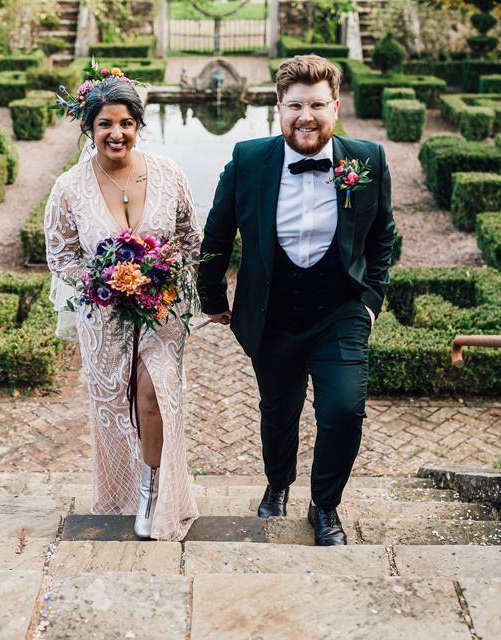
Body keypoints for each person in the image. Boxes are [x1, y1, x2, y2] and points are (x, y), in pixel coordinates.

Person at [197, 54, 396, 546]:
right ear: (278, 108)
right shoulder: (248, 160)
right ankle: (278, 482)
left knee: (344, 411)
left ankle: (325, 506)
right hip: (273, 315)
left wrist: (371, 299)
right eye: (295, 106)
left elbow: (383, 238)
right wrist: (212, 296)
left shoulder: (366, 160)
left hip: (341, 312)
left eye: (317, 105)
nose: (306, 116)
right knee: (278, 410)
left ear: (335, 107)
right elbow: (217, 234)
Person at [44, 75, 200, 541]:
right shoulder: (69, 188)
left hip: (161, 313)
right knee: (117, 406)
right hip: (104, 318)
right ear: (89, 128)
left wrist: (166, 275)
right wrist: (101, 280)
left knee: (154, 396)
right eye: (105, 123)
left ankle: (154, 491)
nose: (117, 133)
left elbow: (191, 238)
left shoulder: (168, 173)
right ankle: (124, 491)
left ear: (138, 125)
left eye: (127, 123)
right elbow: (61, 256)